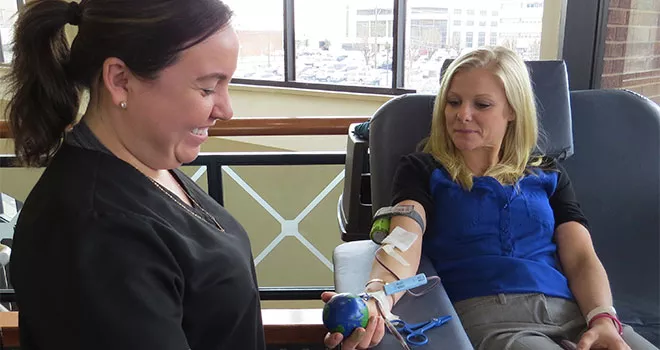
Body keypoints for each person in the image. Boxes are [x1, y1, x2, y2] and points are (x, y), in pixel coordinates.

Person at [324, 46, 658, 350]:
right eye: (453, 102)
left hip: (573, 312)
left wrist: (602, 319)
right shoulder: (423, 168)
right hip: (495, 318)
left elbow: (582, 257)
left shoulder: (548, 174)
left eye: (481, 104)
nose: (462, 114)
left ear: (512, 110)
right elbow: (402, 239)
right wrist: (377, 297)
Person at [5, 1, 265, 349]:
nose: (226, 110)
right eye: (207, 88)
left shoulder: (150, 168)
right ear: (120, 80)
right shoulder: (94, 232)